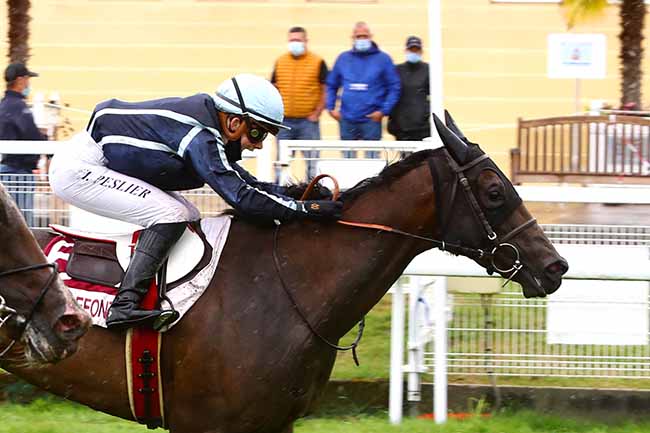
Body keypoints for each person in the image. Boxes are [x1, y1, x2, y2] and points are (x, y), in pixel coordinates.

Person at [49, 74, 343, 330]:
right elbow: (243, 199)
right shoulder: (199, 136)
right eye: (258, 132)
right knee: (172, 214)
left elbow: (249, 185)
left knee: (188, 214)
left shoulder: (209, 131)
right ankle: (124, 305)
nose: (259, 144)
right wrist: (307, 210)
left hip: (101, 161)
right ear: (234, 122)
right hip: (80, 168)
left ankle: (158, 292)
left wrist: (298, 198)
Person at [326, 21, 401, 158]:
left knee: (372, 161)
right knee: (348, 160)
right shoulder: (343, 59)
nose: (361, 39)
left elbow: (394, 87)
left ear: (370, 37)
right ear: (353, 38)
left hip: (372, 120)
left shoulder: (383, 59)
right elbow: (331, 84)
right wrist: (331, 108)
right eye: (358, 36)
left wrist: (383, 111)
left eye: (364, 36)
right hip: (347, 119)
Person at [271, 26, 328, 179]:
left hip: (307, 122)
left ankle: (313, 190)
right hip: (284, 122)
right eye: (291, 40)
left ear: (305, 41)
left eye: (297, 40)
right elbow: (273, 87)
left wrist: (317, 113)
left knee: (312, 161)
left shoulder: (317, 62)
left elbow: (325, 89)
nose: (294, 43)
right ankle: (279, 190)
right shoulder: (280, 61)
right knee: (282, 161)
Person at [0, 63, 47, 226]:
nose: (28, 84)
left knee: (8, 221)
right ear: (20, 80)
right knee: (22, 223)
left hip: (6, 169)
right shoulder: (18, 106)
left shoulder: (4, 105)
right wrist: (48, 148)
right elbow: (31, 134)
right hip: (18, 170)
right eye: (27, 79)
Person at [388, 36, 431, 142]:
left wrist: (425, 114)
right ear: (406, 51)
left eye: (416, 50)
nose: (414, 52)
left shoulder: (428, 70)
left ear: (421, 51)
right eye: (411, 50)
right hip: (400, 126)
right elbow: (391, 94)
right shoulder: (397, 70)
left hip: (422, 127)